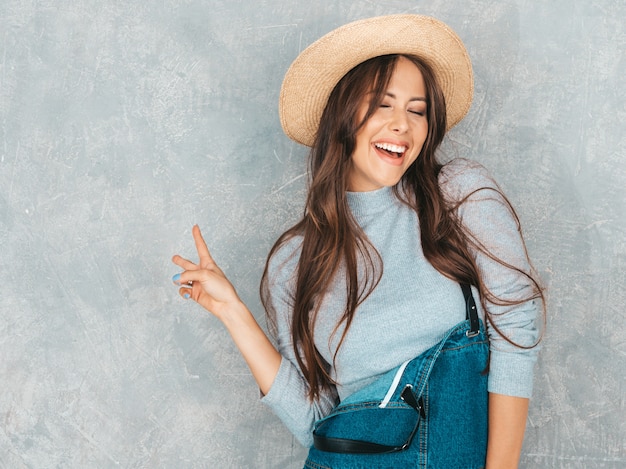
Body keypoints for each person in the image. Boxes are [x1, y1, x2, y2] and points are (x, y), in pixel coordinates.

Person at [171, 14, 544, 468]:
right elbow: (321, 423)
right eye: (382, 104)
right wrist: (234, 314)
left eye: (417, 109)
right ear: (343, 115)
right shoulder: (294, 261)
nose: (402, 124)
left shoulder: (459, 195)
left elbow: (517, 331)